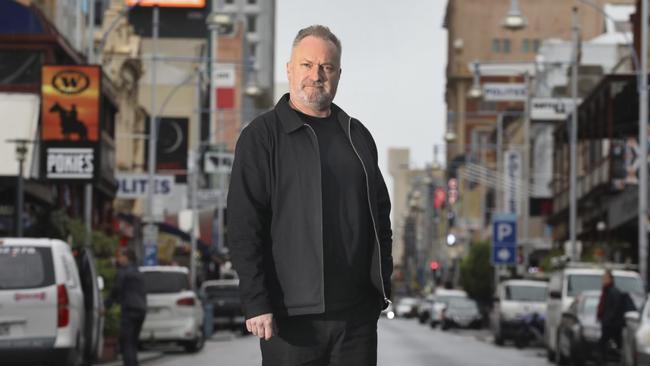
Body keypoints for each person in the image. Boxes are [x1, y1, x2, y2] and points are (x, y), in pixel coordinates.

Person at [228, 25, 393, 366]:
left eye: (326, 67)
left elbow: (381, 216)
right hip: (290, 320)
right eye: (306, 65)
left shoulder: (357, 136)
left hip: (356, 319)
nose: (316, 75)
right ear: (289, 69)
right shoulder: (262, 137)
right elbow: (244, 225)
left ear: (338, 74)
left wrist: (381, 285)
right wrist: (256, 301)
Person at [104, 248, 147, 366]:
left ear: (127, 257)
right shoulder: (138, 272)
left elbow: (115, 290)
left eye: (120, 256)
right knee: (133, 342)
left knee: (126, 342)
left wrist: (106, 306)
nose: (118, 259)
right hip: (141, 310)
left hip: (129, 310)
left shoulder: (123, 272)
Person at [596, 269, 625, 365]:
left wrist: (608, 319)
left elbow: (615, 308)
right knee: (603, 344)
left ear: (610, 279)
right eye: (602, 278)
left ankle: (605, 361)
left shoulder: (614, 291)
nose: (603, 280)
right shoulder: (606, 291)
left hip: (612, 324)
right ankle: (604, 361)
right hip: (607, 323)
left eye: (605, 278)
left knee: (606, 344)